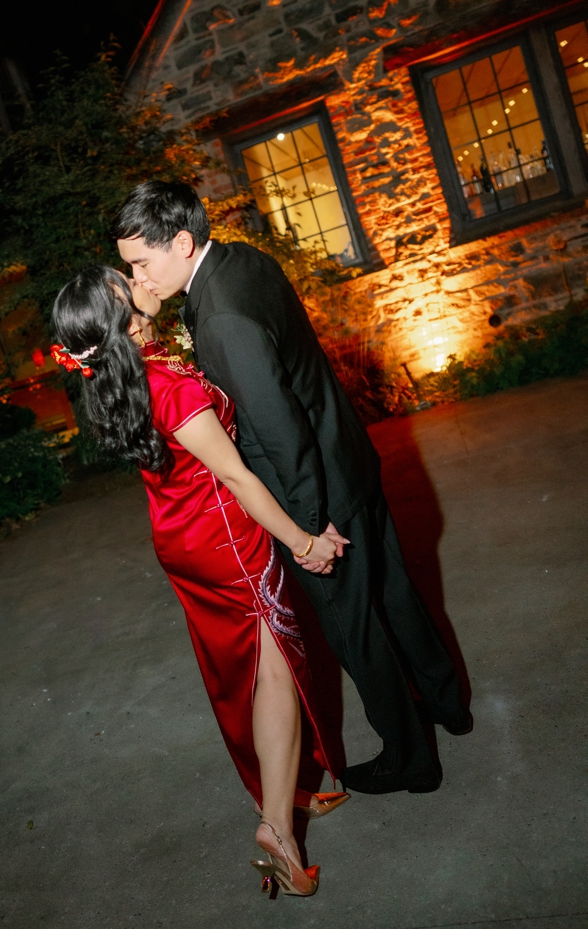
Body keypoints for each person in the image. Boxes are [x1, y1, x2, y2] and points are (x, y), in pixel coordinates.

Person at [112, 180, 472, 796]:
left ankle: (411, 758)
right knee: (395, 592)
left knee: (355, 630)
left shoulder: (220, 316)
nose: (139, 281)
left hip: (318, 492)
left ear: (180, 241)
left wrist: (308, 530)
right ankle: (448, 705)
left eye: (142, 264)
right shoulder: (241, 260)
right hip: (349, 459)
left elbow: (277, 429)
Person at [52, 265, 346, 897]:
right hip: (224, 540)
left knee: (239, 670)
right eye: (124, 280)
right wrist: (303, 542)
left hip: (181, 535)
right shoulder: (168, 387)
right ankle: (278, 830)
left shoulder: (127, 374)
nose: (138, 276)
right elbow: (236, 478)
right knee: (275, 673)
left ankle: (285, 793)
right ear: (127, 318)